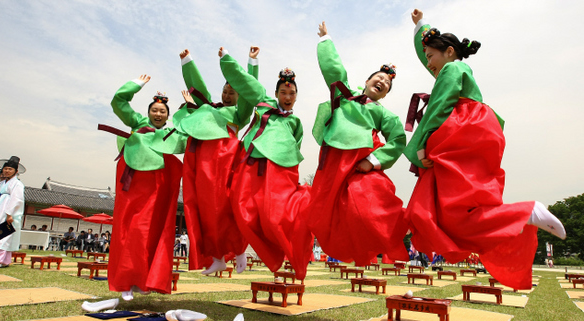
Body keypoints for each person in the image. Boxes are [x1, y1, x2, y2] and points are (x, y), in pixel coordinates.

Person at [404, 9, 566, 290]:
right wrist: (421, 25)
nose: (428, 62)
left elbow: (438, 107)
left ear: (449, 52)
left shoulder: (452, 69)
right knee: (452, 210)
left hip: (460, 130)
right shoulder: (456, 66)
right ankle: (520, 215)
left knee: (443, 212)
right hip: (477, 129)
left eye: (431, 56)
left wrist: (420, 148)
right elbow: (433, 56)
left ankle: (524, 212)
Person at [307, 22, 408, 267]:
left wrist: (373, 161)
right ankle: (343, 246)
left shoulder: (384, 114)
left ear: (384, 94)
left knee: (368, 201)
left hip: (360, 162)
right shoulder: (345, 96)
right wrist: (325, 40)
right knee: (326, 210)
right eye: (379, 77)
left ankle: (406, 225)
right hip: (334, 160)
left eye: (387, 84)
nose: (382, 81)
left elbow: (398, 139)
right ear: (367, 80)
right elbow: (334, 71)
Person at [219, 47, 314, 280]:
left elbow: (295, 149)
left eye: (292, 94)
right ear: (276, 93)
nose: (288, 98)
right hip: (251, 163)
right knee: (241, 210)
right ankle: (238, 251)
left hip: (280, 172)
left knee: (274, 217)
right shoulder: (263, 103)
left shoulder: (296, 122)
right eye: (283, 92)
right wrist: (244, 60)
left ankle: (285, 252)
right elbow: (246, 82)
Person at [171, 47, 259, 275]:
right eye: (225, 91)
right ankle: (217, 258)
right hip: (204, 167)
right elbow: (198, 90)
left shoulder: (239, 114)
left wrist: (252, 62)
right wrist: (188, 62)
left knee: (231, 208)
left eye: (232, 92)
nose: (228, 95)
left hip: (228, 165)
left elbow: (250, 89)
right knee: (207, 211)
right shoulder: (208, 108)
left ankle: (240, 251)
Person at [103, 73, 184, 301]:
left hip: (155, 190)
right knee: (127, 230)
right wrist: (136, 84)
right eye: (155, 110)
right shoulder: (137, 123)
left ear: (168, 116)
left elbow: (192, 139)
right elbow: (118, 101)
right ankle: (125, 281)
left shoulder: (169, 135)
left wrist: (189, 110)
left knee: (148, 233)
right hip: (133, 186)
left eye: (163, 112)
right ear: (148, 112)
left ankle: (143, 278)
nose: (158, 114)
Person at [0, 156, 25, 268]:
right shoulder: (1, 184)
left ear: (16, 172)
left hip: (7, 211)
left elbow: (17, 199)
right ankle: (5, 261)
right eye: (5, 168)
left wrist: (9, 214)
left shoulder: (17, 184)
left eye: (10, 169)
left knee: (3, 235)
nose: (7, 171)